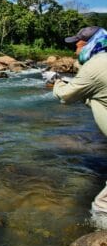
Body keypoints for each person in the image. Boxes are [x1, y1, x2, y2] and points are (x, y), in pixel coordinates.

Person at [45, 26, 107, 224]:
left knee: (102, 206)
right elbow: (98, 97)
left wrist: (56, 82)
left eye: (77, 45)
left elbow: (65, 97)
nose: (75, 51)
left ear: (89, 43)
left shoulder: (96, 65)